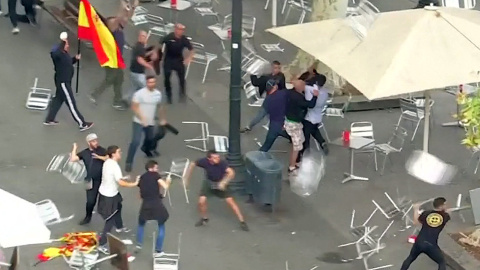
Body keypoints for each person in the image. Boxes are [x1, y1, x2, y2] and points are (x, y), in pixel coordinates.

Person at [88, 0, 139, 110]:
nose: (119, 22)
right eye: (114, 22)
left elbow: (126, 18)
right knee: (111, 78)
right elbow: (120, 18)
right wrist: (122, 5)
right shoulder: (111, 30)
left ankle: (116, 101)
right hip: (110, 58)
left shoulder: (119, 29)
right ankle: (94, 94)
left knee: (119, 78)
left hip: (117, 59)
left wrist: (133, 7)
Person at [184, 150, 249, 231]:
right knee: (201, 201)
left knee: (231, 202)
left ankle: (242, 221)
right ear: (209, 159)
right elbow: (192, 164)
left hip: (220, 182)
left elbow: (231, 173)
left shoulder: (222, 163)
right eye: (215, 158)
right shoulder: (204, 161)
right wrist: (186, 178)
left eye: (218, 157)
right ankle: (204, 218)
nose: (218, 159)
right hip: (209, 183)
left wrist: (224, 182)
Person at [44, 34, 94, 131]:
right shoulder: (57, 55)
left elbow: (68, 63)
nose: (68, 46)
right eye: (66, 44)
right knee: (71, 103)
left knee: (58, 100)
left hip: (64, 81)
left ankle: (49, 119)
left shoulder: (64, 54)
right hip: (63, 82)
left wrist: (75, 59)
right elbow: (54, 54)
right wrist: (62, 42)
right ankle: (82, 123)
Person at [97, 145, 139, 254]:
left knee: (119, 206)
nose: (120, 153)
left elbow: (113, 177)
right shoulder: (115, 166)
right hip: (109, 196)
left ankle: (119, 226)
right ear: (113, 154)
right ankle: (102, 243)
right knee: (109, 221)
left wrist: (122, 178)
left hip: (107, 192)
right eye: (119, 152)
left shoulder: (108, 162)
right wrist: (134, 183)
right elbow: (120, 183)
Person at [125, 76, 167, 172]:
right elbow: (134, 107)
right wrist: (142, 118)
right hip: (138, 122)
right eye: (149, 82)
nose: (151, 84)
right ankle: (129, 162)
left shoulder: (158, 94)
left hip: (150, 122)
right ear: (146, 83)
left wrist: (162, 119)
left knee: (150, 138)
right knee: (135, 142)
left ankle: (146, 149)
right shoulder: (139, 94)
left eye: (153, 82)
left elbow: (160, 107)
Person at [400, 197, 451, 270]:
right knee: (441, 262)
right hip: (431, 244)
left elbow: (416, 222)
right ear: (440, 206)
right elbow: (447, 213)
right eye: (444, 204)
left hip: (419, 242)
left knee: (410, 258)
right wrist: (444, 210)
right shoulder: (445, 216)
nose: (446, 206)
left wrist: (416, 209)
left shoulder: (426, 213)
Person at [69, 133, 108, 225]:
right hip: (91, 180)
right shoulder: (85, 153)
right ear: (88, 142)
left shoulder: (102, 150)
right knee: (90, 201)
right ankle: (88, 217)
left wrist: (99, 157)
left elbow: (108, 158)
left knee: (105, 200)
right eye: (93, 141)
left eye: (96, 140)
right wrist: (74, 148)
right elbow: (73, 159)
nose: (96, 143)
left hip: (102, 180)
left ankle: (108, 217)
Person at [135, 160, 171, 254]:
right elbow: (165, 186)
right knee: (161, 225)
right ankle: (158, 249)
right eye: (156, 168)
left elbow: (140, 194)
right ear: (151, 168)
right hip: (156, 204)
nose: (157, 170)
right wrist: (168, 181)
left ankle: (139, 244)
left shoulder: (142, 177)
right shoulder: (156, 175)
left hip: (146, 204)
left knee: (141, 224)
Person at [240, 61, 286, 133]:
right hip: (271, 100)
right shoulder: (267, 77)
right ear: (271, 68)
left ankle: (249, 126)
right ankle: (249, 126)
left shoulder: (279, 76)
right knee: (265, 114)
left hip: (275, 100)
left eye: (279, 68)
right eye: (275, 68)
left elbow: (281, 85)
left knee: (265, 114)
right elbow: (256, 82)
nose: (277, 70)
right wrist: (253, 74)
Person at [285, 80, 318, 175]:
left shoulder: (291, 93)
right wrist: (315, 96)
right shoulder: (298, 97)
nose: (305, 87)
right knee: (297, 146)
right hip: (294, 123)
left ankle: (295, 162)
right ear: (299, 87)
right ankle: (292, 166)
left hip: (291, 121)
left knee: (299, 142)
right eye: (303, 85)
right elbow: (310, 105)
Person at [297, 79, 330, 163]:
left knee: (306, 135)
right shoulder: (325, 93)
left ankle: (305, 153)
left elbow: (303, 88)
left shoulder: (311, 90)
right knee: (314, 130)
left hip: (309, 117)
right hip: (318, 116)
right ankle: (322, 142)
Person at [161, 23, 194, 104]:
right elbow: (160, 43)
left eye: (181, 30)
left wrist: (189, 58)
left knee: (182, 79)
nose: (179, 31)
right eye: (177, 29)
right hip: (168, 60)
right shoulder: (169, 37)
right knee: (167, 78)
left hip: (178, 60)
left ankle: (182, 95)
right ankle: (169, 95)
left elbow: (192, 49)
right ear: (175, 29)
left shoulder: (184, 39)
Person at [258, 80, 290, 152]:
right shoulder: (283, 94)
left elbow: (260, 115)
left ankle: (257, 157)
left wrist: (250, 125)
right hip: (284, 123)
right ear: (275, 87)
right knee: (291, 135)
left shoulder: (267, 100)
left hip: (274, 125)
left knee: (266, 146)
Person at [128, 30, 155, 103]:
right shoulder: (139, 47)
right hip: (138, 73)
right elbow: (140, 59)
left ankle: (127, 100)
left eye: (146, 37)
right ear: (139, 37)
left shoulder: (139, 45)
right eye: (143, 36)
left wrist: (149, 54)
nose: (145, 38)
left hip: (134, 71)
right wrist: (149, 66)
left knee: (136, 88)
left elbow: (142, 55)